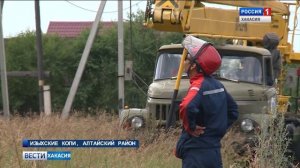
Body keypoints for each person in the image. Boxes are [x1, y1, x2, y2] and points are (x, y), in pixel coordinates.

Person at [175, 36, 239, 168]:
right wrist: (215, 130)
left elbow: (187, 106)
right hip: (214, 152)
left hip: (196, 153)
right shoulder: (218, 85)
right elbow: (233, 111)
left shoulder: (198, 85)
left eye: (186, 58)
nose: (183, 61)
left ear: (193, 65)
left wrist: (190, 128)